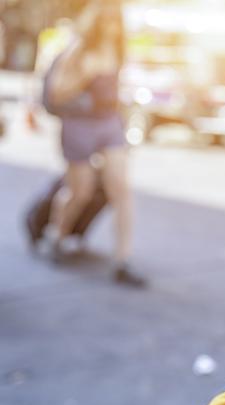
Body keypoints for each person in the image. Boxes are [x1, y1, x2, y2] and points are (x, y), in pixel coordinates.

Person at [47, 1, 145, 287]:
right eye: (107, 21)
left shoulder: (117, 50)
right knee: (80, 191)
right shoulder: (78, 49)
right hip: (79, 126)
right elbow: (56, 94)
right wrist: (86, 77)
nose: (112, 27)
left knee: (122, 190)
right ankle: (57, 235)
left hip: (108, 123)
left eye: (116, 22)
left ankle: (122, 260)